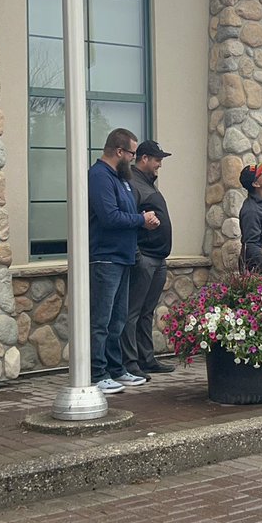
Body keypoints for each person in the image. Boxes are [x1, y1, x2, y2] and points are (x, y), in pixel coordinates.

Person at [88, 127, 159, 394]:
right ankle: (97, 373)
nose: (133, 157)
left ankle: (116, 369)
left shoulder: (121, 178)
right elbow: (109, 217)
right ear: (119, 151)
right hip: (105, 258)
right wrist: (141, 220)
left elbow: (127, 212)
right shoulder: (99, 176)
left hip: (123, 257)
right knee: (102, 320)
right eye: (131, 152)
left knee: (117, 320)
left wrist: (145, 219)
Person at [121, 141, 176, 380]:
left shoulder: (145, 183)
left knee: (146, 312)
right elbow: (131, 220)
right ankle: (130, 362)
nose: (160, 164)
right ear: (143, 158)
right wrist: (138, 255)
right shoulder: (132, 184)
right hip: (145, 258)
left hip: (158, 258)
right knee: (133, 312)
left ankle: (147, 359)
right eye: (157, 159)